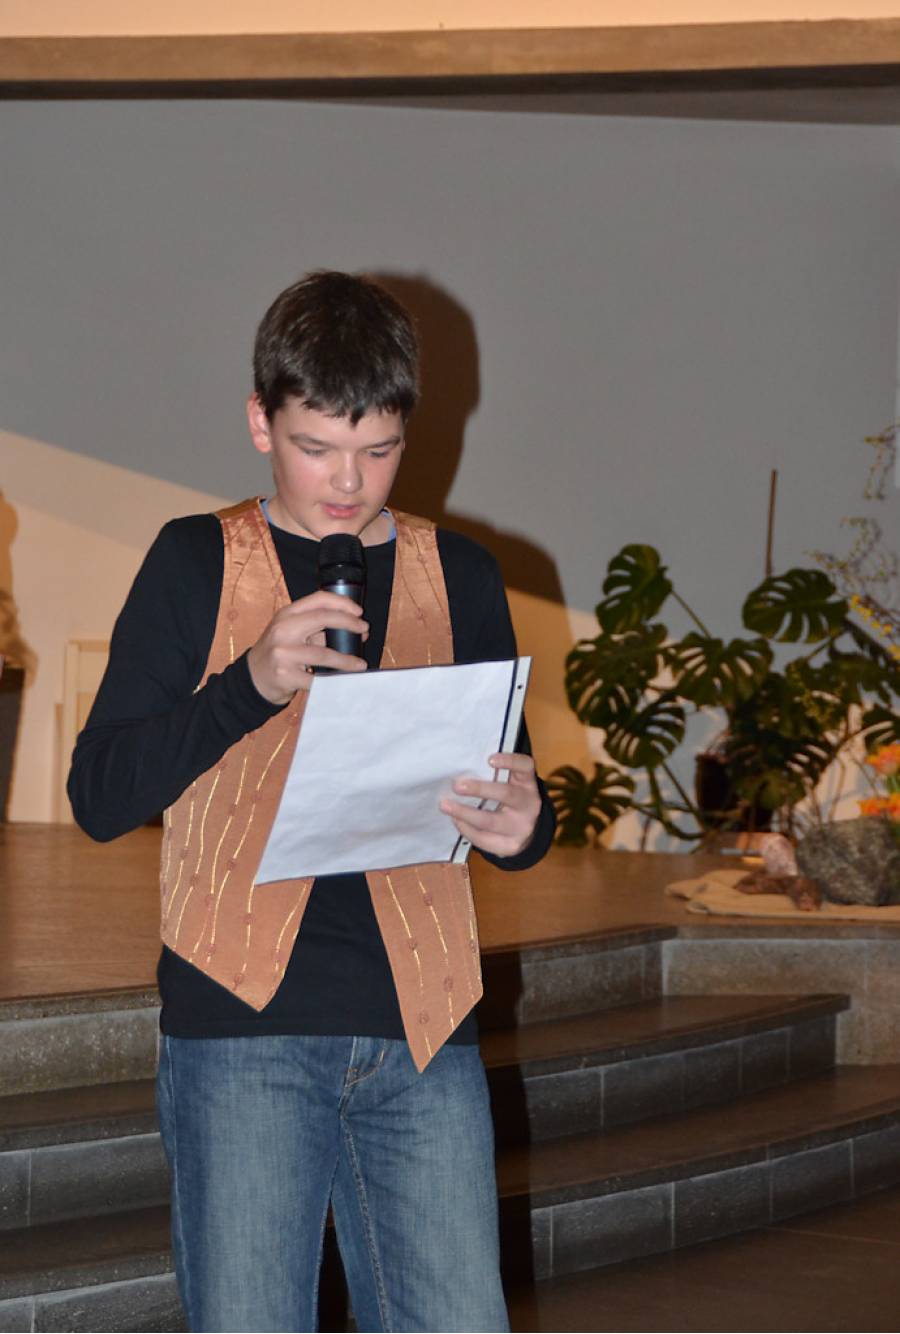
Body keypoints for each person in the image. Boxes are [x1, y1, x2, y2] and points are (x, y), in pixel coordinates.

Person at [68, 270, 556, 1334]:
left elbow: (513, 790)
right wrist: (247, 683)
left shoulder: (461, 572)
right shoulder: (196, 560)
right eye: (316, 446)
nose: (347, 480)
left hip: (423, 1027)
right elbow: (98, 796)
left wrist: (523, 824)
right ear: (261, 422)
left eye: (377, 450)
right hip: (244, 1028)